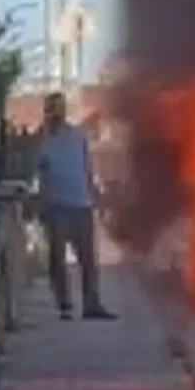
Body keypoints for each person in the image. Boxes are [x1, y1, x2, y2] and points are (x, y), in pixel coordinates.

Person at [34, 92, 116, 321]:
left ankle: (92, 304)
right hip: (56, 206)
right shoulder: (41, 140)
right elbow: (40, 175)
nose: (56, 112)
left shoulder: (77, 136)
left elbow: (86, 168)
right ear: (47, 111)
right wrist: (41, 204)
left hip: (81, 204)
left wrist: (95, 195)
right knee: (57, 259)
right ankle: (65, 305)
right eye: (52, 108)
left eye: (60, 108)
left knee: (88, 258)